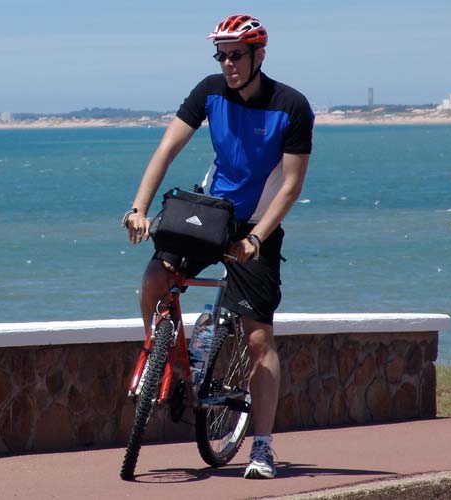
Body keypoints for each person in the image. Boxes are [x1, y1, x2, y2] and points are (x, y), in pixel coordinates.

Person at [123, 15, 314, 480]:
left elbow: (290, 186)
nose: (228, 64)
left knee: (258, 337)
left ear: (258, 56)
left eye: (236, 56)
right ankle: (161, 359)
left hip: (257, 225)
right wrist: (138, 208)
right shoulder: (209, 90)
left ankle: (262, 446)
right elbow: (167, 149)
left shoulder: (291, 106)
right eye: (222, 56)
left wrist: (255, 239)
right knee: (153, 279)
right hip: (213, 212)